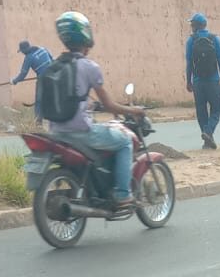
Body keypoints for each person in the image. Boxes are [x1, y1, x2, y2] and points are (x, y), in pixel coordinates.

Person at [44, 11, 147, 210]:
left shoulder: (55, 65)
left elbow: (71, 98)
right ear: (85, 36)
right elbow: (109, 106)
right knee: (125, 141)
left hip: (56, 133)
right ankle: (122, 194)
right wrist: (133, 110)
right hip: (82, 133)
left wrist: (88, 105)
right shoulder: (89, 66)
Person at [185, 13, 220, 150]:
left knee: (201, 110)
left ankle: (207, 137)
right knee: (217, 108)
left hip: (198, 82)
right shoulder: (215, 39)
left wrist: (188, 81)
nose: (191, 26)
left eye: (192, 24)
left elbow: (189, 64)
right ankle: (208, 134)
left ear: (196, 26)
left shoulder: (191, 41)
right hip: (213, 81)